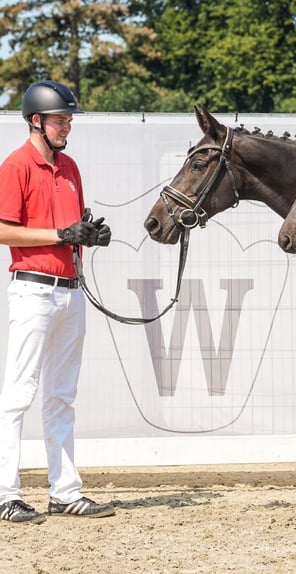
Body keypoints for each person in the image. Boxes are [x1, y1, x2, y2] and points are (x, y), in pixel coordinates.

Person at [0, 80, 114, 524]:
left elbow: (73, 226)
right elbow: (3, 229)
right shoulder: (16, 166)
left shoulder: (69, 167)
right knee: (18, 394)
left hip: (69, 290)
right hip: (32, 290)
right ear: (37, 120)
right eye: (61, 119)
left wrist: (89, 236)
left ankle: (64, 490)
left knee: (61, 396)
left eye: (68, 119)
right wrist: (59, 236)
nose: (68, 125)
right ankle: (7, 493)